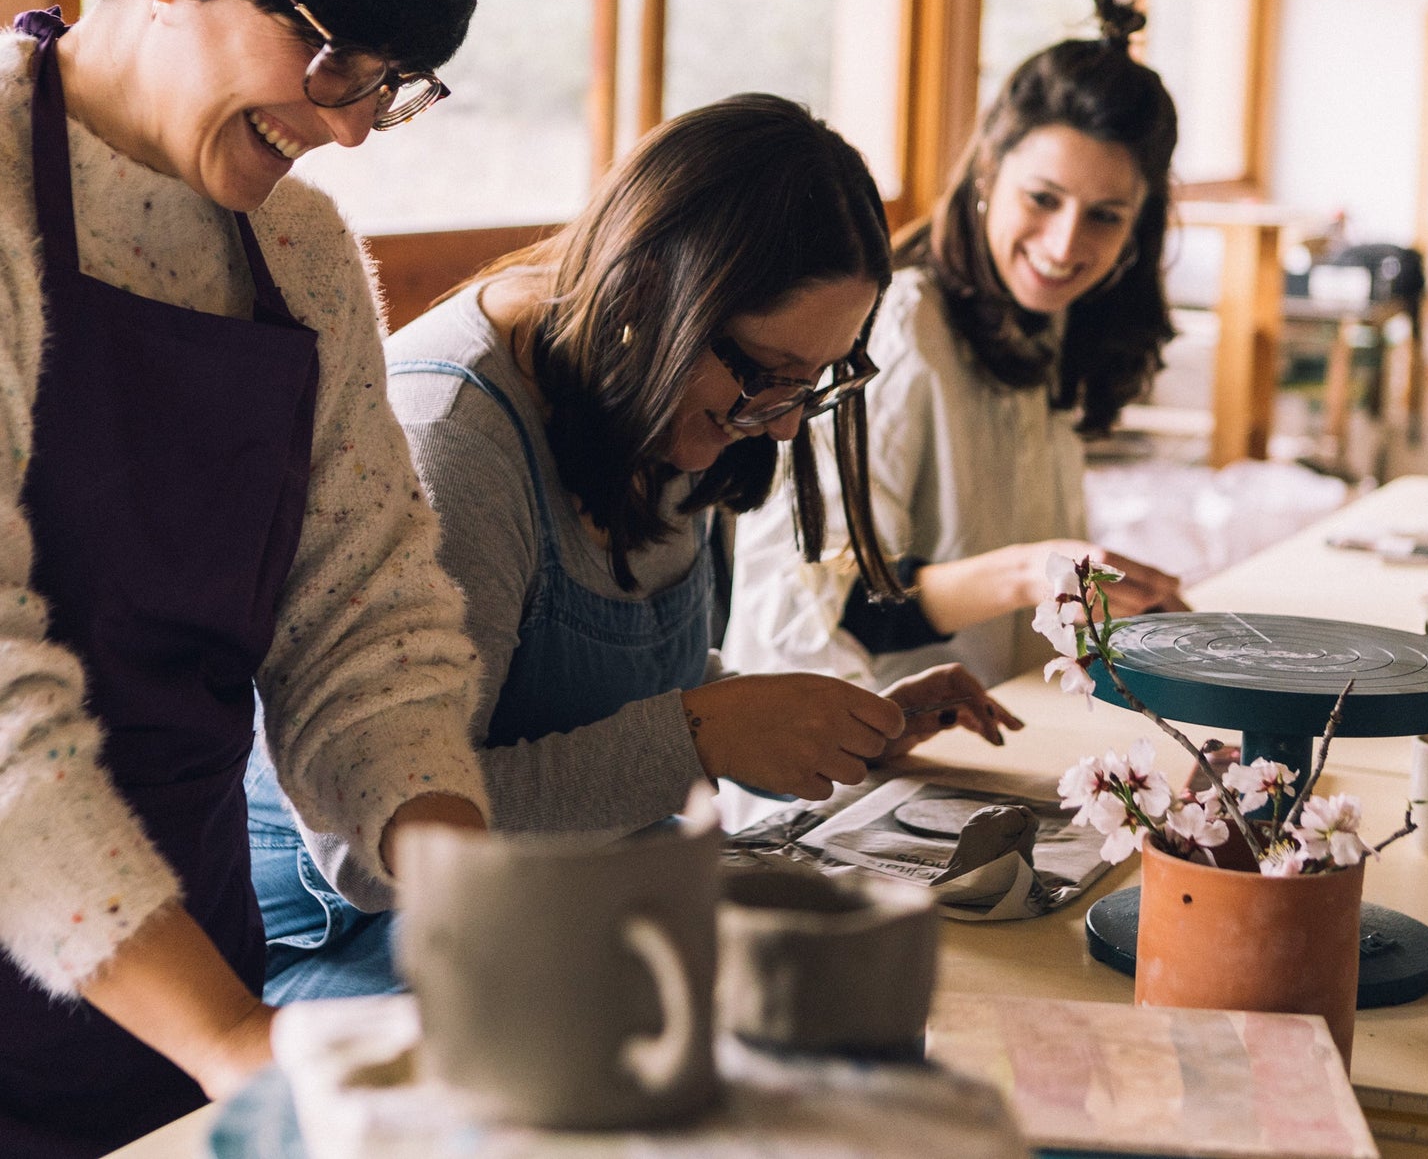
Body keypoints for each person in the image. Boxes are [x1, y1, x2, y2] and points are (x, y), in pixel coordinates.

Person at [246, 92, 1023, 1002]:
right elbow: (382, 845)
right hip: (362, 939)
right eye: (769, 375)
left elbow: (605, 704)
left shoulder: (679, 404)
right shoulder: (452, 435)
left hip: (571, 896)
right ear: (649, 297)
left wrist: (827, 728)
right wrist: (699, 737)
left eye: (811, 383)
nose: (777, 429)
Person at [0, 0, 494, 1155]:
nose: (347, 127)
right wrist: (229, 1038)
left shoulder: (302, 251)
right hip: (154, 997)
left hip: (195, 989)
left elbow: (365, 616)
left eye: (389, 87)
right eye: (334, 57)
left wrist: (470, 906)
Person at [724, 0, 1186, 693]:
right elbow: (810, 610)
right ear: (987, 172)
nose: (1064, 243)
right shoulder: (900, 326)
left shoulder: (1054, 320)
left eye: (1104, 215)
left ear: (1137, 228)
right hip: (861, 762)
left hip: (994, 735)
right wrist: (1025, 573)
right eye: (1041, 199)